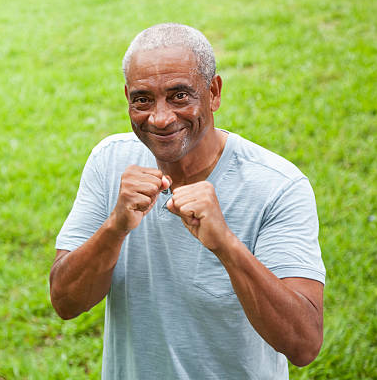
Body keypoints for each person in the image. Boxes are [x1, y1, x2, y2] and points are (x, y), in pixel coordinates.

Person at [49, 23, 325, 379]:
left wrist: (226, 244)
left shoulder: (277, 186)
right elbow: (66, 302)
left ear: (213, 92)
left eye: (180, 95)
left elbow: (303, 344)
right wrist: (115, 227)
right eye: (142, 99)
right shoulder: (109, 161)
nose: (160, 118)